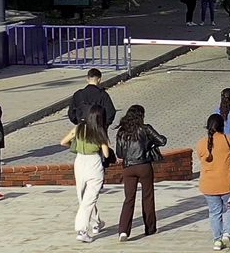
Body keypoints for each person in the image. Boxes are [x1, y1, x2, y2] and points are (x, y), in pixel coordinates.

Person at [114, 105, 165, 242]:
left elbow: (119, 153)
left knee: (129, 199)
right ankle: (150, 228)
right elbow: (162, 141)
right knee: (147, 197)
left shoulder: (121, 132)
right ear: (141, 116)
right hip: (144, 166)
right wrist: (149, 145)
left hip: (128, 168)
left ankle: (123, 231)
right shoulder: (145, 129)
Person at [61, 104, 111, 242]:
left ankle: (96, 223)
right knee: (90, 198)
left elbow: (63, 142)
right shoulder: (99, 131)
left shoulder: (78, 128)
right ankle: (82, 230)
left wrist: (76, 147)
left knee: (82, 196)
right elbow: (106, 154)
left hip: (79, 162)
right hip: (94, 163)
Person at [198, 113, 230, 250]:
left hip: (208, 185)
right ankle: (227, 234)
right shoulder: (227, 139)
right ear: (222, 126)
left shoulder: (201, 143)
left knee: (214, 212)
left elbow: (201, 157)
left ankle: (217, 240)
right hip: (227, 183)